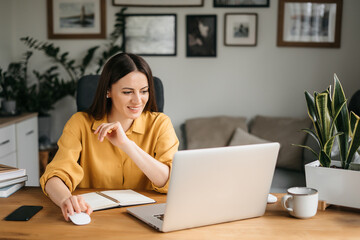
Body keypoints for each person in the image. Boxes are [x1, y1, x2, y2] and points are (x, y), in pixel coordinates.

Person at [40, 52, 179, 221]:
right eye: (128, 92)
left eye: (144, 91)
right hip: (93, 216)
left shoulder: (160, 124)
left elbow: (172, 181)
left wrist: (126, 144)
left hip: (145, 217)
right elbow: (54, 176)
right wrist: (65, 199)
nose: (138, 100)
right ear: (108, 91)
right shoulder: (79, 123)